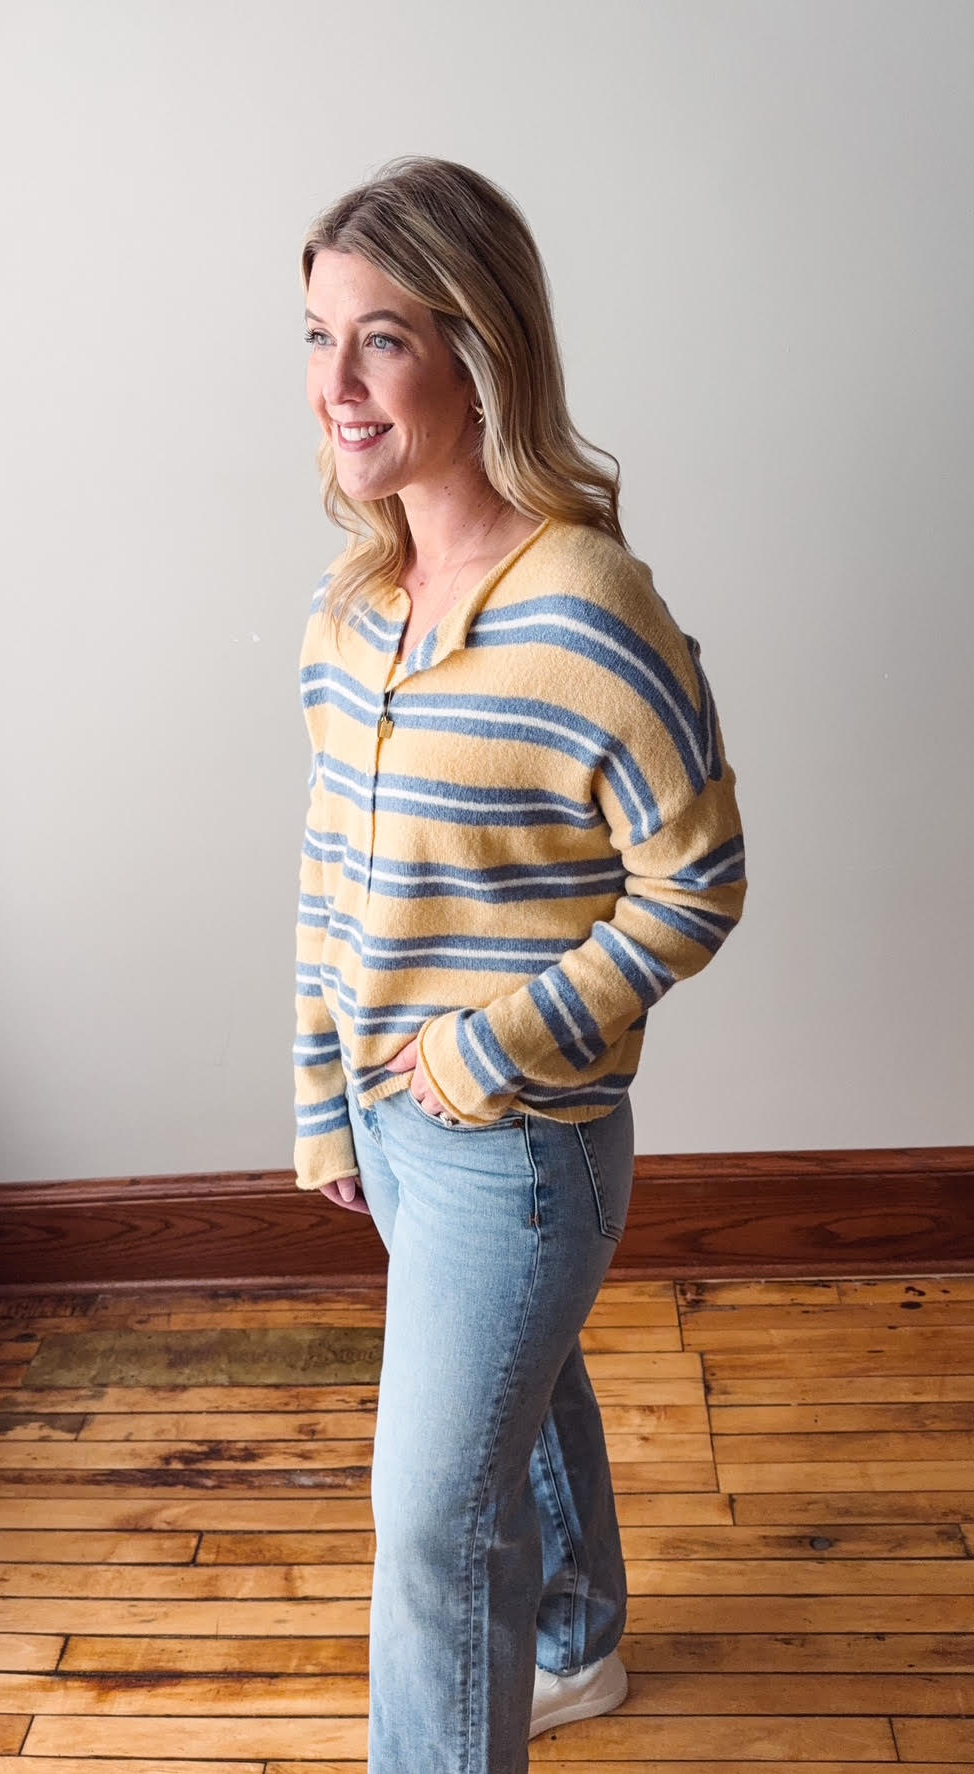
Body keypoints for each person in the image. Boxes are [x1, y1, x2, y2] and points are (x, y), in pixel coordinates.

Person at [291, 155, 747, 1774]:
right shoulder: (357, 615)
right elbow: (333, 883)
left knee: (429, 1526)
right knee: (516, 1397)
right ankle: (582, 1641)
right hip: (395, 1125)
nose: (336, 386)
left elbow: (698, 882)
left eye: (382, 339)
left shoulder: (592, 612)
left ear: (479, 349)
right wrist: (324, 1099)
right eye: (318, 337)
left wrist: (488, 1050)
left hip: (524, 1149)